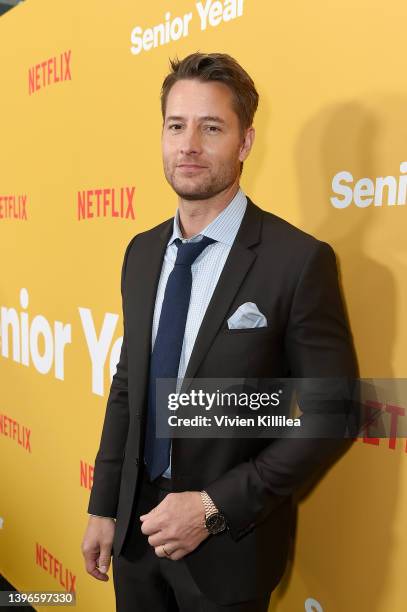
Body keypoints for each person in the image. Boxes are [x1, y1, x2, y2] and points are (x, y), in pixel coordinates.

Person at [81, 52, 358, 611]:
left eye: (212, 128)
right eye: (176, 125)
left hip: (230, 550)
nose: (189, 145)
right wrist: (105, 504)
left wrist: (211, 507)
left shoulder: (297, 261)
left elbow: (334, 412)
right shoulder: (140, 253)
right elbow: (128, 385)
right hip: (135, 538)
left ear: (245, 141)